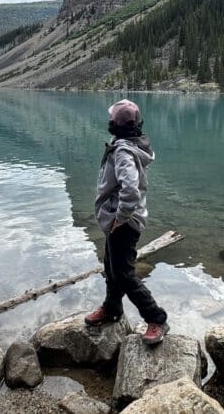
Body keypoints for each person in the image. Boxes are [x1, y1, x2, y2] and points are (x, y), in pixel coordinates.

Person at [85, 99, 169, 344]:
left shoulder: (122, 150)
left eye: (112, 119)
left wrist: (120, 218)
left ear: (115, 124)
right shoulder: (130, 144)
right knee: (111, 266)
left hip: (124, 222)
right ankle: (112, 308)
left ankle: (157, 318)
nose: (109, 121)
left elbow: (130, 191)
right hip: (119, 220)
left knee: (124, 274)